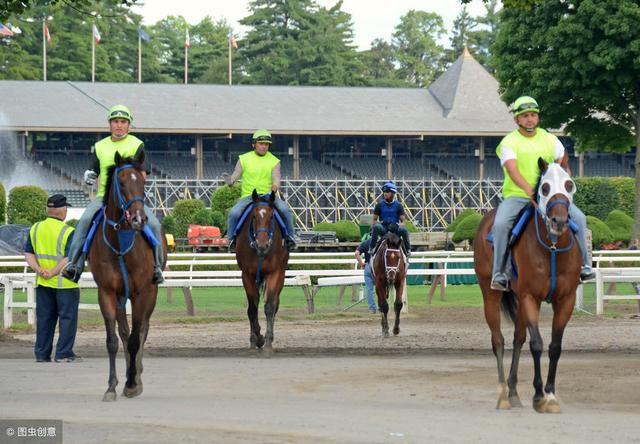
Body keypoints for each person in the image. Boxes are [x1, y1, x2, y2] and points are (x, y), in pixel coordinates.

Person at [490, 96, 594, 291]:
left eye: (533, 115)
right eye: (525, 116)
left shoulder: (550, 139)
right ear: (517, 119)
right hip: (518, 195)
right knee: (501, 224)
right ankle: (500, 273)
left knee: (579, 218)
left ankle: (585, 266)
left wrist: (563, 186)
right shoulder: (509, 142)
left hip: (550, 197)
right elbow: (512, 171)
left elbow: (563, 163)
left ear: (538, 117)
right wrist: (529, 191)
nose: (530, 119)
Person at [62, 105, 164, 284]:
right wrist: (89, 175)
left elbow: (143, 173)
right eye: (115, 121)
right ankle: (74, 265)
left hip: (131, 199)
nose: (119, 125)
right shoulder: (100, 146)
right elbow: (93, 170)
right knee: (84, 222)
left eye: (123, 122)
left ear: (129, 125)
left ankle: (157, 268)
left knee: (154, 224)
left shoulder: (137, 144)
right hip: (104, 197)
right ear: (109, 124)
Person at [24, 194, 81, 363]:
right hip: (65, 284)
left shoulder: (35, 228)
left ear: (49, 210)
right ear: (62, 211)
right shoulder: (68, 231)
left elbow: (28, 253)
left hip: (43, 283)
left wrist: (39, 270)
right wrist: (54, 271)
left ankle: (42, 354)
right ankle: (63, 354)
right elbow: (69, 257)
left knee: (44, 320)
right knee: (67, 320)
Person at [223, 129, 297, 251]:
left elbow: (276, 177)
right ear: (254, 144)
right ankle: (231, 240)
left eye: (266, 144)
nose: (264, 147)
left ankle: (290, 238)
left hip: (268, 195)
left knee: (286, 210)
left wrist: (275, 186)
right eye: (261, 144)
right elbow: (236, 174)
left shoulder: (274, 161)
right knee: (233, 214)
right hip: (249, 196)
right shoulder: (243, 159)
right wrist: (230, 181)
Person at [368, 181, 411, 257]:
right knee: (376, 227)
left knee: (404, 231)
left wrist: (397, 225)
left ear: (393, 193)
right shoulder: (379, 205)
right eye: (384, 192)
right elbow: (374, 221)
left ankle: (408, 250)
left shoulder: (399, 205)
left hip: (394, 229)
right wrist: (381, 222)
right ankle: (372, 247)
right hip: (384, 228)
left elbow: (403, 222)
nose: (385, 193)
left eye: (387, 192)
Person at [355, 238, 377, 313]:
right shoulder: (381, 242)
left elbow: (356, 253)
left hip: (367, 266)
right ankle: (382, 307)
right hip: (377, 267)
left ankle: (372, 308)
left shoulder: (365, 242)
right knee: (381, 288)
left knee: (369, 289)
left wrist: (361, 263)